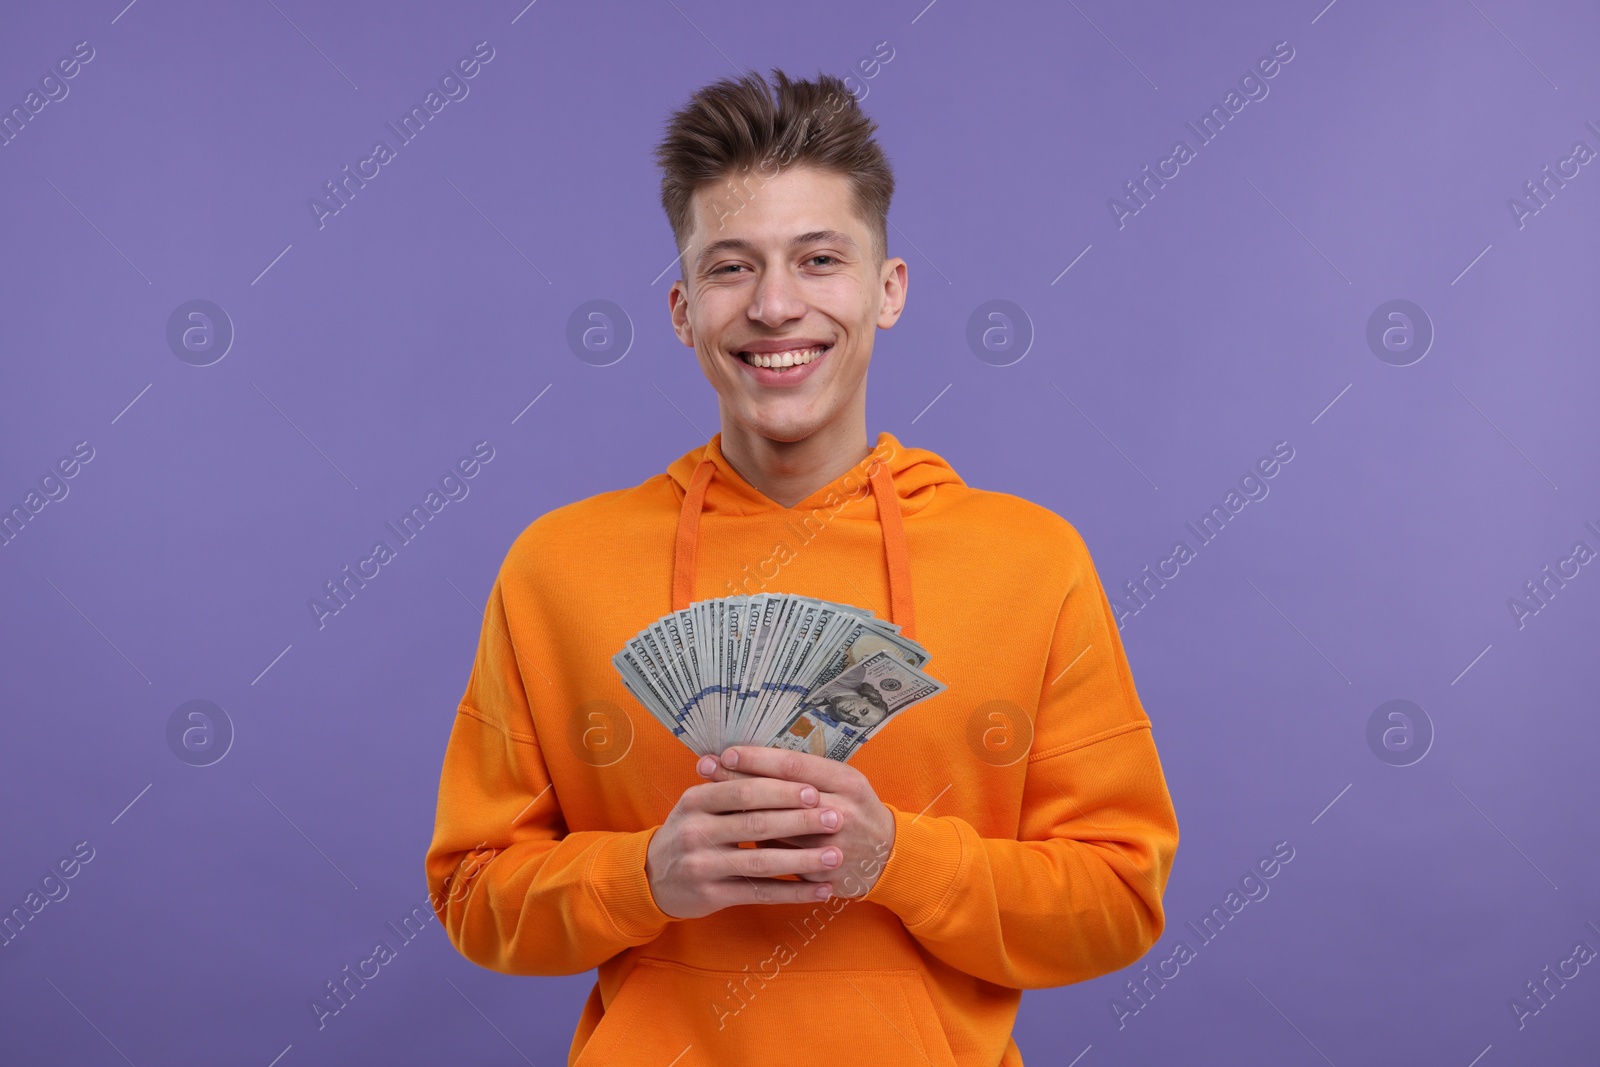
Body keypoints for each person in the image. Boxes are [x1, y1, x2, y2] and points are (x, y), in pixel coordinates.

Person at [425, 67, 1179, 1066]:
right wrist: (642, 874)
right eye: (731, 267)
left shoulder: (1033, 561)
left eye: (818, 259)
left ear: (888, 289)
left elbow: (1117, 901)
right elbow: (475, 894)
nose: (775, 305)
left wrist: (895, 858)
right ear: (683, 308)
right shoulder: (556, 566)